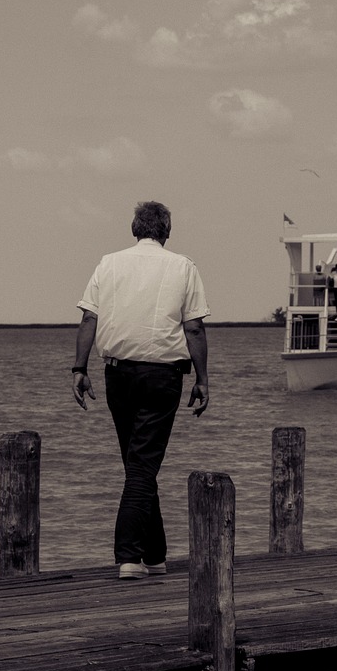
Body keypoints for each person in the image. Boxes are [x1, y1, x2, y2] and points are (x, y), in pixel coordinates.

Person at [71, 201, 210, 580]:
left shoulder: (108, 263)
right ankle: (129, 557)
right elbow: (194, 328)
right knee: (142, 466)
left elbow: (89, 317)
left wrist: (80, 368)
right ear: (167, 230)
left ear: (135, 228)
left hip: (117, 374)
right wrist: (202, 379)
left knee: (138, 465)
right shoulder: (183, 266)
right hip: (162, 376)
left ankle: (155, 555)